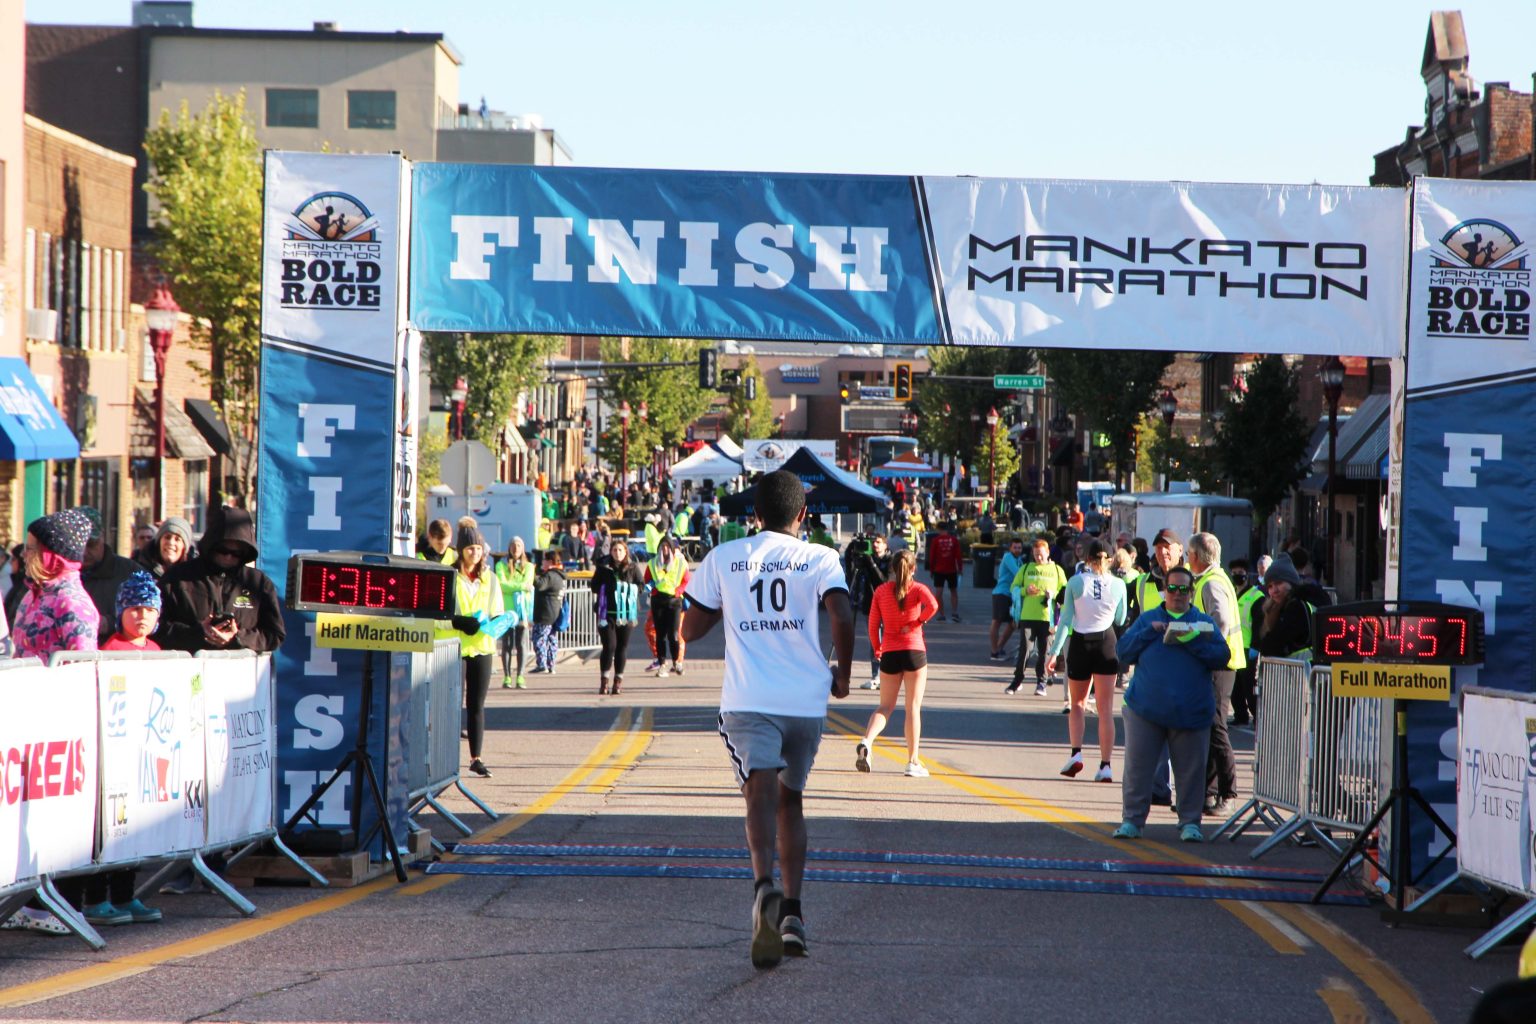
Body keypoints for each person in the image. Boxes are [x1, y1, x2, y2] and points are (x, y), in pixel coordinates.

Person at [681, 470, 854, 968]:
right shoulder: (821, 557)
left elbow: (690, 629)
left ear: (753, 514)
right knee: (790, 802)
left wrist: (724, 606)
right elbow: (842, 615)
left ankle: (763, 889)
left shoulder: (725, 557)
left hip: (748, 697)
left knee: (757, 788)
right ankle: (794, 916)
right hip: (804, 701)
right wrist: (841, 673)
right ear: (804, 515)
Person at [6, 509, 98, 935]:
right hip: (23, 719)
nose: (25, 555)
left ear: (55, 556)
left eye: (32, 549)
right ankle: (27, 899)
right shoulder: (32, 595)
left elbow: (80, 664)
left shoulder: (71, 601)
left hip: (55, 725)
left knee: (54, 815)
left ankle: (59, 903)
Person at [1112, 564, 1233, 842]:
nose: (1177, 594)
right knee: (1138, 769)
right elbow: (1123, 652)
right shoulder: (1148, 620)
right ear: (1164, 590)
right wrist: (1150, 632)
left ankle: (1190, 823)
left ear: (1191, 592)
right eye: (1172, 588)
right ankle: (1132, 821)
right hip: (1146, 709)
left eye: (1183, 589)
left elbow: (1222, 656)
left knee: (1191, 772)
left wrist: (1190, 639)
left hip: (1191, 712)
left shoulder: (1203, 622)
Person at [81, 571, 168, 926]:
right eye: (134, 608)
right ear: (120, 612)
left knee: (133, 830)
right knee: (106, 829)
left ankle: (125, 895)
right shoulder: (109, 650)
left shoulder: (158, 651)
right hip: (112, 752)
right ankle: (96, 898)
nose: (142, 616)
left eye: (149, 609)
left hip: (143, 753)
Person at [1044, 540, 1127, 783]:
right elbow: (1120, 619)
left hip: (1081, 641)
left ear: (1087, 559)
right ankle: (1106, 765)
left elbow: (1066, 620)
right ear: (1110, 559)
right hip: (1106, 643)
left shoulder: (1076, 581)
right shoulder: (1119, 584)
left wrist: (1054, 653)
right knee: (1105, 709)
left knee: (1077, 703)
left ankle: (1076, 752)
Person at [855, 549, 939, 777]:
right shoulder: (918, 589)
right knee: (912, 707)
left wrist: (877, 647)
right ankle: (912, 761)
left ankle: (867, 740)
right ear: (913, 569)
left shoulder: (881, 591)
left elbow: (873, 625)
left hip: (890, 652)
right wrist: (917, 622)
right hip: (914, 651)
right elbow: (933, 605)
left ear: (892, 568)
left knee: (885, 707)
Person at [157, 507, 285, 655]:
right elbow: (155, 627)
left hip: (242, 672)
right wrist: (197, 633)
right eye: (223, 550)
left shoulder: (257, 583)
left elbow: (275, 635)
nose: (228, 557)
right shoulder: (177, 578)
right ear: (211, 546)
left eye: (236, 553)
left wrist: (239, 637)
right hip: (191, 671)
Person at [1186, 532, 1246, 817]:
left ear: (1196, 557)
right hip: (1222, 662)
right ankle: (1209, 794)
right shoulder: (1214, 579)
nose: (1187, 559)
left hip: (1220, 664)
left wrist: (1207, 646)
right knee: (1210, 729)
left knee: (1216, 727)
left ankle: (1228, 792)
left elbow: (1219, 620)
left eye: (1188, 554)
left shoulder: (1210, 584)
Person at [443, 520, 503, 778]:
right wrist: (457, 622)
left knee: (476, 705)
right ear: (460, 550)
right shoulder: (448, 575)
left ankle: (476, 758)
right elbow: (438, 615)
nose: (474, 553)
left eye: (478, 548)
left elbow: (498, 613)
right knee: (450, 704)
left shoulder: (490, 578)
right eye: (469, 549)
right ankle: (445, 759)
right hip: (454, 647)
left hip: (481, 647)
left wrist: (494, 624)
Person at [1007, 538, 1067, 696]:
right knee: (1025, 650)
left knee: (1045, 652)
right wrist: (1025, 591)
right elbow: (1014, 587)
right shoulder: (1026, 568)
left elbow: (1065, 591)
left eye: (1041, 555)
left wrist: (1053, 595)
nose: (1038, 558)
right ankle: (1017, 680)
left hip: (1048, 617)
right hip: (1028, 615)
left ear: (1047, 553)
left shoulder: (1056, 570)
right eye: (1035, 555)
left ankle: (1042, 682)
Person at [77, 506, 139, 644]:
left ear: (103, 536)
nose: (85, 552)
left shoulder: (131, 573)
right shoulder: (60, 573)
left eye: (92, 544)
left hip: (116, 657)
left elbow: (151, 616)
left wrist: (110, 623)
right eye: (80, 545)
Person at [592, 537, 645, 694]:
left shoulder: (633, 567)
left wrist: (629, 589)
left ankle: (618, 682)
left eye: (620, 550)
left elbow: (641, 585)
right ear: (611, 552)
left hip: (627, 614)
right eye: (615, 550)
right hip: (606, 613)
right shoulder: (603, 567)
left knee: (622, 647)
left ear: (625, 552)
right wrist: (608, 587)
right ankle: (604, 681)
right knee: (610, 646)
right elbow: (594, 586)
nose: (617, 553)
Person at [1251, 553, 1313, 660]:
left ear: (1291, 583)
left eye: (1278, 583)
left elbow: (1274, 645)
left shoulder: (1296, 607)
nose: (1274, 590)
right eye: (1270, 586)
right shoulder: (1276, 608)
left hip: (1302, 672)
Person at [850, 534, 891, 690]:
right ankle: (876, 676)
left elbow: (883, 581)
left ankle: (886, 675)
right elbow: (852, 573)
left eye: (879, 542)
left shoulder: (890, 560)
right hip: (870, 604)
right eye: (873, 542)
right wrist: (852, 555)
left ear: (885, 545)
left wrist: (871, 564)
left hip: (886, 606)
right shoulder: (867, 559)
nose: (875, 545)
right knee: (874, 641)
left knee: (886, 641)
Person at [494, 537, 535, 689]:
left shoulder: (529, 566)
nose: (516, 548)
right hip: (506, 610)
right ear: (509, 547)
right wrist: (521, 586)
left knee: (522, 644)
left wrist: (518, 586)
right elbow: (502, 585)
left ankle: (520, 676)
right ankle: (506, 676)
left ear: (523, 548)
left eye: (519, 545)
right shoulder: (501, 565)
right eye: (513, 545)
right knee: (507, 645)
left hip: (522, 611)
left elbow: (529, 583)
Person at [647, 534, 688, 677]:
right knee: (660, 635)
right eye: (662, 546)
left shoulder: (680, 563)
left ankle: (677, 662)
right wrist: (651, 588)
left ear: (671, 548)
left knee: (674, 635)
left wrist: (678, 592)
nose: (664, 549)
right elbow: (647, 579)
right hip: (658, 601)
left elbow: (686, 580)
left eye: (667, 546)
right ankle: (662, 664)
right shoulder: (652, 563)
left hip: (674, 602)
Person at [1229, 559, 1262, 726]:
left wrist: (1255, 647)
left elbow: (1258, 626)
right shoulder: (1232, 594)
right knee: (1235, 687)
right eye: (1234, 574)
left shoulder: (1256, 596)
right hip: (1234, 646)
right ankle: (1240, 715)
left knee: (1249, 686)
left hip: (1248, 648)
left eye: (1240, 574)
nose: (1237, 577)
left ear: (1247, 575)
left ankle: (1257, 716)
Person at [989, 536, 1026, 662]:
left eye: (1019, 548)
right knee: (997, 622)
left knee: (1013, 623)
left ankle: (999, 646)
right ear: (1010, 548)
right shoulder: (1008, 557)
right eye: (1015, 547)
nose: (1017, 550)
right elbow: (1019, 573)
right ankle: (994, 651)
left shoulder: (1019, 560)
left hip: (1012, 595)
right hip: (1001, 593)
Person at [531, 548, 567, 675]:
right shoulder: (559, 575)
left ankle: (542, 665)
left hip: (545, 613)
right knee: (551, 639)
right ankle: (551, 665)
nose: (542, 562)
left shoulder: (550, 575)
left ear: (550, 561)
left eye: (545, 560)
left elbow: (540, 585)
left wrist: (531, 574)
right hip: (554, 612)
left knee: (539, 638)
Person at [134, 515, 194, 589]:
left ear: (184, 547)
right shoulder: (140, 570)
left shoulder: (194, 577)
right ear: (159, 542)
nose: (171, 543)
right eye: (167, 537)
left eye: (177, 539)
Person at [925, 520, 964, 622]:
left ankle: (941, 614)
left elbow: (932, 556)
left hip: (939, 570)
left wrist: (931, 570)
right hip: (951, 569)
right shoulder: (954, 540)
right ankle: (955, 613)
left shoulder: (936, 540)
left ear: (938, 529)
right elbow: (958, 556)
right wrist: (960, 568)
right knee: (953, 591)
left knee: (939, 593)